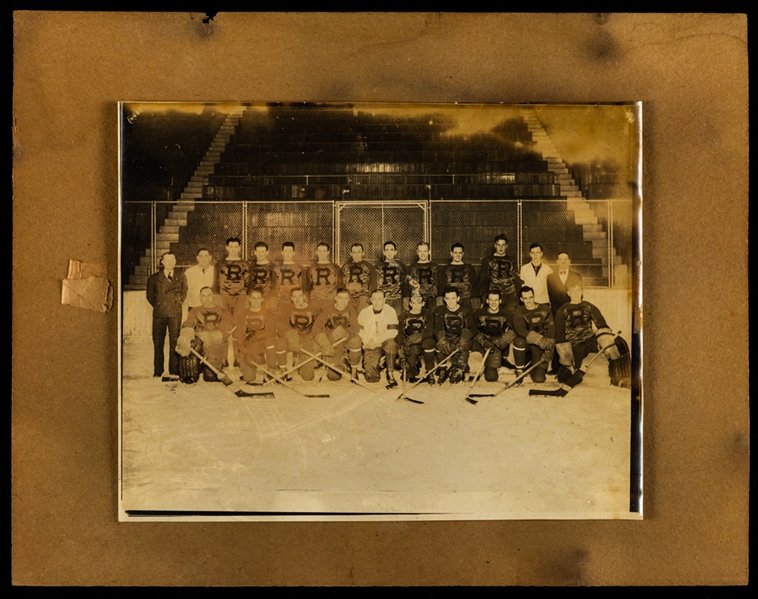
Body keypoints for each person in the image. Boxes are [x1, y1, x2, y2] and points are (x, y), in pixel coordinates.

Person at [554, 283, 621, 381]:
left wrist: (607, 339)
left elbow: (600, 323)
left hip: (591, 341)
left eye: (578, 290)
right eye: (572, 291)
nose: (576, 294)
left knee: (617, 343)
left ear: (582, 292)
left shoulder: (588, 306)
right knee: (567, 377)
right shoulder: (562, 310)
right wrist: (566, 356)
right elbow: (559, 333)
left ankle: (616, 375)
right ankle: (567, 371)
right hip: (575, 345)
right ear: (568, 293)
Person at [175, 286, 230, 384]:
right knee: (191, 344)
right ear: (200, 298)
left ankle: (206, 367)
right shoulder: (195, 310)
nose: (207, 298)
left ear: (213, 296)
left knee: (210, 377)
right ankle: (192, 371)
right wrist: (187, 332)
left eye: (209, 295)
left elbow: (225, 332)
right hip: (199, 341)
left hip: (215, 343)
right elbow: (189, 322)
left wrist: (209, 336)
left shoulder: (221, 310)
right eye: (203, 296)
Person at [146, 251, 187, 379]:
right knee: (158, 342)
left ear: (175, 262)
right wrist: (160, 305)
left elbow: (184, 292)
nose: (170, 263)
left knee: (174, 342)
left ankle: (174, 370)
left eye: (172, 260)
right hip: (160, 313)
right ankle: (158, 370)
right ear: (162, 262)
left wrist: (177, 303)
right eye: (167, 260)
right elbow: (150, 296)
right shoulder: (154, 277)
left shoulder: (181, 276)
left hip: (175, 312)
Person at [235, 287, 284, 384]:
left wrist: (255, 337)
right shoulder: (243, 314)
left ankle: (271, 369)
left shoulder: (267, 313)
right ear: (249, 299)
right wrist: (246, 352)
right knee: (249, 378)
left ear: (262, 299)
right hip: (250, 347)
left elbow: (271, 332)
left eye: (258, 298)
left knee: (270, 341)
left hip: (263, 344)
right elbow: (240, 337)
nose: (256, 301)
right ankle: (254, 364)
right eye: (253, 298)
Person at [313, 288, 362, 381]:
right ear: (335, 298)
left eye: (346, 298)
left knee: (356, 340)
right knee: (333, 376)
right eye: (340, 298)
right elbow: (316, 328)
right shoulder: (328, 309)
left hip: (344, 341)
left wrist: (342, 332)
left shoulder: (350, 309)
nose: (343, 301)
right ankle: (344, 362)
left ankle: (354, 372)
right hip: (332, 343)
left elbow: (355, 327)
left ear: (348, 299)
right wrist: (325, 343)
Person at [511, 286, 555, 384]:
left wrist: (549, 348)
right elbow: (520, 330)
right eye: (525, 298)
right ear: (521, 299)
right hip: (528, 343)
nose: (529, 301)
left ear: (534, 297)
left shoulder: (545, 309)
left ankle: (532, 365)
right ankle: (519, 370)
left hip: (541, 346)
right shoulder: (519, 311)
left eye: (530, 297)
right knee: (518, 341)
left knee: (539, 379)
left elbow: (551, 330)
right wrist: (538, 339)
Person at [472, 289, 518, 382]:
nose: (494, 303)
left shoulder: (507, 313)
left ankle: (500, 359)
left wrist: (503, 340)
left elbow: (515, 330)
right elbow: (472, 330)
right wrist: (483, 341)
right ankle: (486, 362)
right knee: (490, 377)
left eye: (496, 300)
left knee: (492, 377)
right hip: (484, 344)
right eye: (491, 300)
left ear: (500, 301)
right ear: (487, 301)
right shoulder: (479, 312)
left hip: (497, 345)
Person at [433, 286, 475, 385]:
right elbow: (437, 328)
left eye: (453, 298)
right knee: (439, 344)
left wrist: (464, 338)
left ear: (458, 298)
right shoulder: (439, 310)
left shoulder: (466, 310)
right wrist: (442, 339)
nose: (450, 302)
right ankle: (442, 369)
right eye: (447, 298)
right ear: (444, 299)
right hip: (447, 337)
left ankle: (459, 368)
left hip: (460, 339)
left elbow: (473, 327)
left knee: (464, 345)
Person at [358, 289, 400, 388]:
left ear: (384, 300)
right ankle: (381, 363)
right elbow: (359, 330)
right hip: (371, 345)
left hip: (384, 343)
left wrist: (376, 340)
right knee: (371, 378)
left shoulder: (390, 311)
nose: (377, 302)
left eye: (380, 299)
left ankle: (390, 372)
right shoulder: (364, 312)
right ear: (371, 300)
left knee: (391, 344)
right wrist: (366, 341)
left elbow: (392, 332)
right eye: (374, 299)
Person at [275, 287, 319, 382]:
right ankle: (283, 369)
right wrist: (292, 338)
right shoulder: (287, 309)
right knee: (280, 342)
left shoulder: (313, 309)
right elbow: (281, 326)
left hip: (306, 342)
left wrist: (312, 340)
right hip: (293, 341)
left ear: (304, 297)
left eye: (300, 296)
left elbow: (318, 327)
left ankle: (300, 362)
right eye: (294, 297)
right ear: (291, 298)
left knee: (308, 377)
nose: (297, 299)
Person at [396, 291, 436, 383]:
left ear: (423, 303)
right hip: (409, 346)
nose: (416, 306)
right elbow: (399, 335)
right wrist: (401, 354)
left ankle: (430, 371)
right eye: (413, 303)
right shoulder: (403, 316)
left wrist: (415, 338)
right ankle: (413, 365)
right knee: (409, 376)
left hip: (423, 342)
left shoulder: (428, 314)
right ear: (410, 303)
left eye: (419, 303)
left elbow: (430, 331)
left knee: (429, 343)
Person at [479, 234, 520, 313]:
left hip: (509, 293)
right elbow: (484, 280)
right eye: (498, 245)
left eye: (503, 245)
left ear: (506, 246)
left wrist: (517, 296)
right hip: (494, 293)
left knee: (509, 315)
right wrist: (483, 297)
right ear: (495, 245)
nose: (501, 247)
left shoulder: (511, 260)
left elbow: (515, 278)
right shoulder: (488, 260)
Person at [214, 237, 250, 317]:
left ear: (239, 248)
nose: (233, 249)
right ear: (227, 248)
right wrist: (217, 296)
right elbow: (216, 281)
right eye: (231, 247)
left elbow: (247, 281)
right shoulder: (220, 264)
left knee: (239, 319)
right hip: (225, 296)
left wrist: (247, 295)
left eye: (236, 247)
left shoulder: (245, 263)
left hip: (240, 296)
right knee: (226, 319)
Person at [439, 242, 479, 311]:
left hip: (466, 297)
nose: (458, 255)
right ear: (451, 253)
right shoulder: (445, 268)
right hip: (451, 298)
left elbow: (474, 283)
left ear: (463, 254)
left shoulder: (469, 267)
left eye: (460, 253)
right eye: (455, 252)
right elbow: (442, 285)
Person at [306, 242, 342, 316]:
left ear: (328, 252)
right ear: (317, 252)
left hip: (330, 299)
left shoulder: (335, 268)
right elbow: (308, 285)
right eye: (320, 251)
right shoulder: (311, 268)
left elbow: (339, 285)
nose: (322, 253)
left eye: (324, 251)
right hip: (315, 300)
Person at [341, 243, 376, 314]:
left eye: (359, 252)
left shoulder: (369, 266)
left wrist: (370, 297)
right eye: (354, 252)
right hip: (349, 298)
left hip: (363, 298)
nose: (356, 255)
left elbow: (374, 282)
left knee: (362, 320)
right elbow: (341, 282)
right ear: (350, 253)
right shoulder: (345, 266)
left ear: (363, 253)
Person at [404, 241, 439, 309]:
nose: (423, 254)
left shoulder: (434, 266)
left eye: (425, 251)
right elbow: (408, 285)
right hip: (417, 300)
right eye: (420, 251)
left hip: (431, 299)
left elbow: (439, 284)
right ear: (417, 252)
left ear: (429, 252)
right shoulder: (412, 267)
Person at [546, 252, 583, 317]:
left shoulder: (576, 276)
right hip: (556, 310)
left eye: (565, 259)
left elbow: (580, 294)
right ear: (557, 262)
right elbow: (550, 295)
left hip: (572, 309)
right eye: (560, 259)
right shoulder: (550, 277)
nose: (563, 262)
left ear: (569, 261)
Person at [274, 242, 307, 312]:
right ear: (282, 252)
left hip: (296, 302)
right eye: (286, 251)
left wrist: (304, 302)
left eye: (290, 251)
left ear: (293, 253)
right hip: (282, 301)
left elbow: (304, 287)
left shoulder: (300, 268)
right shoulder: (276, 268)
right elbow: (274, 287)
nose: (288, 254)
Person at [376, 240, 407, 313]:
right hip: (383, 299)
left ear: (395, 252)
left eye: (391, 250)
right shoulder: (378, 266)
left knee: (396, 322)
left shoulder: (401, 265)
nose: (389, 252)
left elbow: (405, 283)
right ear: (384, 252)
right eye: (387, 250)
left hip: (397, 299)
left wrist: (405, 299)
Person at [248, 241, 278, 311]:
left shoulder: (273, 267)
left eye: (263, 252)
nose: (260, 254)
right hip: (254, 299)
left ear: (267, 252)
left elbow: (275, 286)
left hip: (267, 298)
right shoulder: (250, 267)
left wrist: (272, 300)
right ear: (255, 252)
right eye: (258, 251)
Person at [183, 247, 216, 311]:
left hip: (211, 306)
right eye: (201, 256)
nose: (203, 259)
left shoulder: (215, 271)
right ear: (197, 258)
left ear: (210, 257)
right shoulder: (189, 272)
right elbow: (185, 290)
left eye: (206, 256)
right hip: (194, 305)